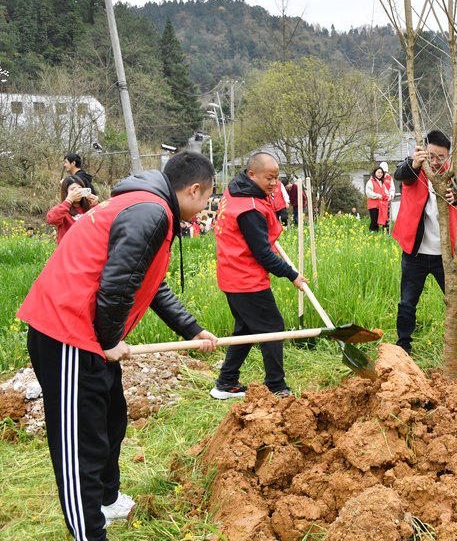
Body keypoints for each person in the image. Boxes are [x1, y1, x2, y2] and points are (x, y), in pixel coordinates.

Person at [17, 151, 219, 540]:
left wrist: (191, 330)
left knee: (112, 417)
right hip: (67, 332)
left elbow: (149, 283)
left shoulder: (146, 205)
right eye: (208, 199)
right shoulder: (151, 211)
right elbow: (116, 286)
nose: (205, 209)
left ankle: (107, 500)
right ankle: (89, 532)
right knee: (81, 445)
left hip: (88, 331)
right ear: (194, 189)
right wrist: (108, 341)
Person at [211, 152, 307, 399]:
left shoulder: (236, 190)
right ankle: (276, 387)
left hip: (231, 273)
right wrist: (291, 274)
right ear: (252, 174)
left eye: (277, 177)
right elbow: (263, 254)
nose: (274, 183)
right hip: (245, 279)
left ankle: (225, 383)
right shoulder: (249, 208)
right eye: (269, 178)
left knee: (245, 329)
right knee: (273, 327)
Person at [392, 130, 457, 361]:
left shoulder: (454, 174)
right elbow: (400, 174)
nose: (435, 161)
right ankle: (403, 347)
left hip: (446, 255)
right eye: (431, 155)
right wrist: (415, 162)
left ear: (449, 155)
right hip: (415, 253)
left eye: (440, 157)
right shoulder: (414, 167)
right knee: (407, 304)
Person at [47, 174, 99, 243]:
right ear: (66, 192)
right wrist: (68, 200)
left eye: (80, 189)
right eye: (73, 189)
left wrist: (95, 206)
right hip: (67, 251)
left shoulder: (89, 209)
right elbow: (52, 219)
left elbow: (99, 226)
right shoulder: (62, 209)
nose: (77, 192)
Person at [366, 165, 391, 232]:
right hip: (373, 205)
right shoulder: (370, 182)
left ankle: (375, 235)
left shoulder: (382, 183)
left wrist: (388, 197)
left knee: (378, 222)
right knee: (374, 221)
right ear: (375, 173)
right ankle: (371, 234)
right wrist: (378, 196)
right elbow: (368, 193)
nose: (380, 174)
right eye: (378, 172)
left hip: (380, 205)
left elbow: (386, 192)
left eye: (381, 173)